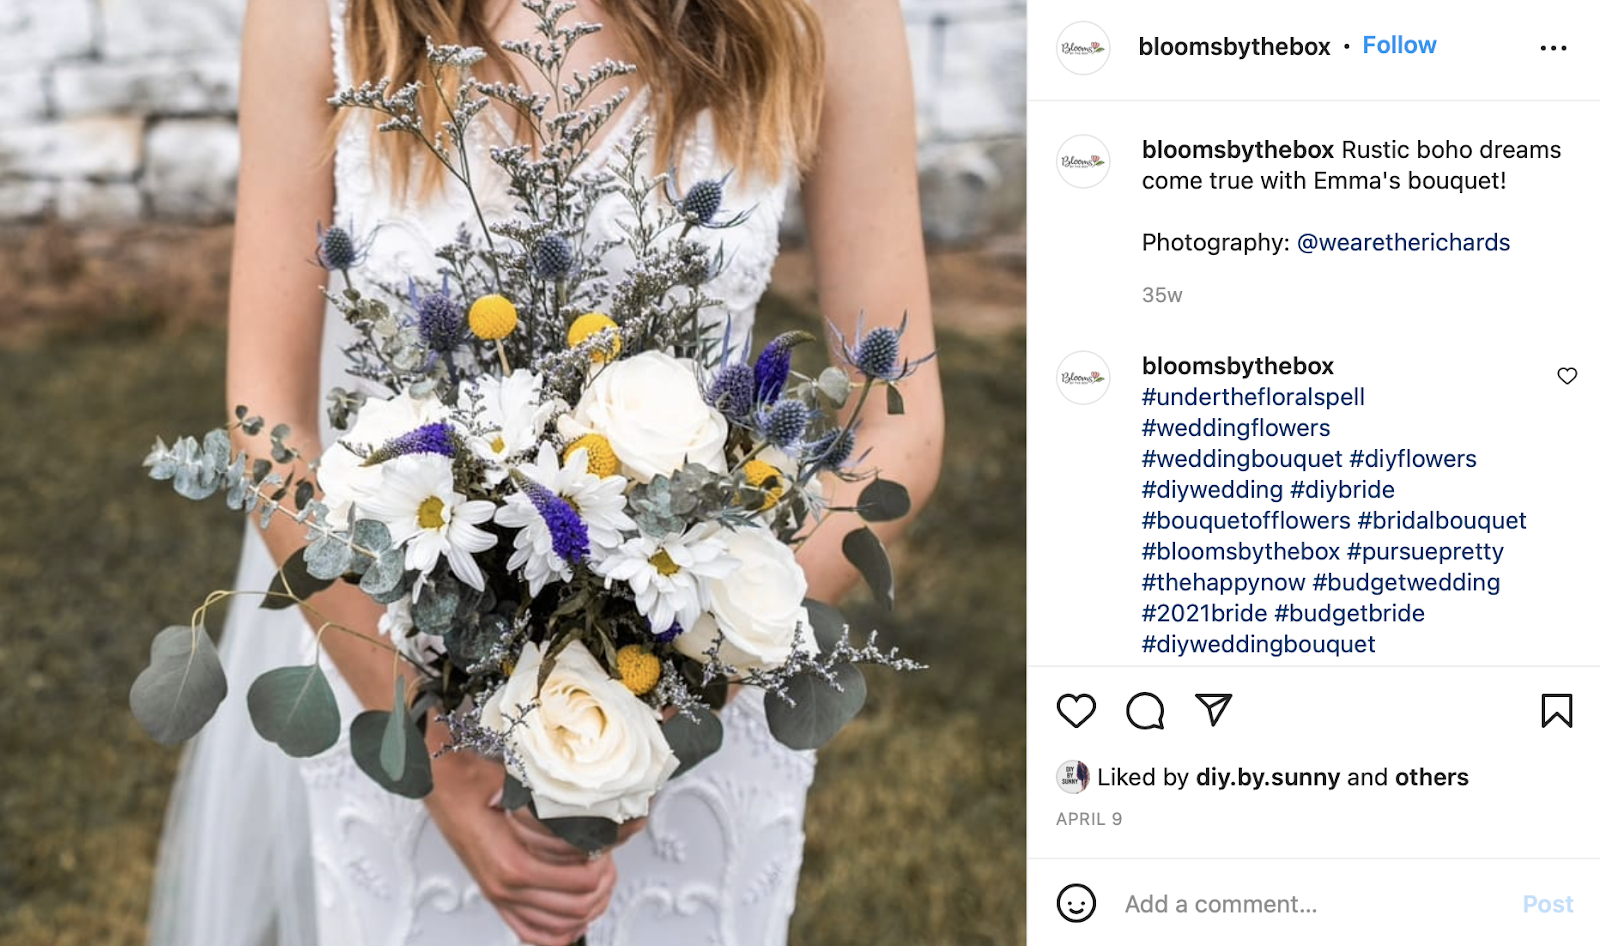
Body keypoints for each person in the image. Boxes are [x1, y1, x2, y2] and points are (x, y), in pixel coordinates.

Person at [148, 0, 943, 944]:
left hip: (700, 679)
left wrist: (677, 697)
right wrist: (441, 761)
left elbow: (900, 422)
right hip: (404, 672)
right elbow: (269, 426)